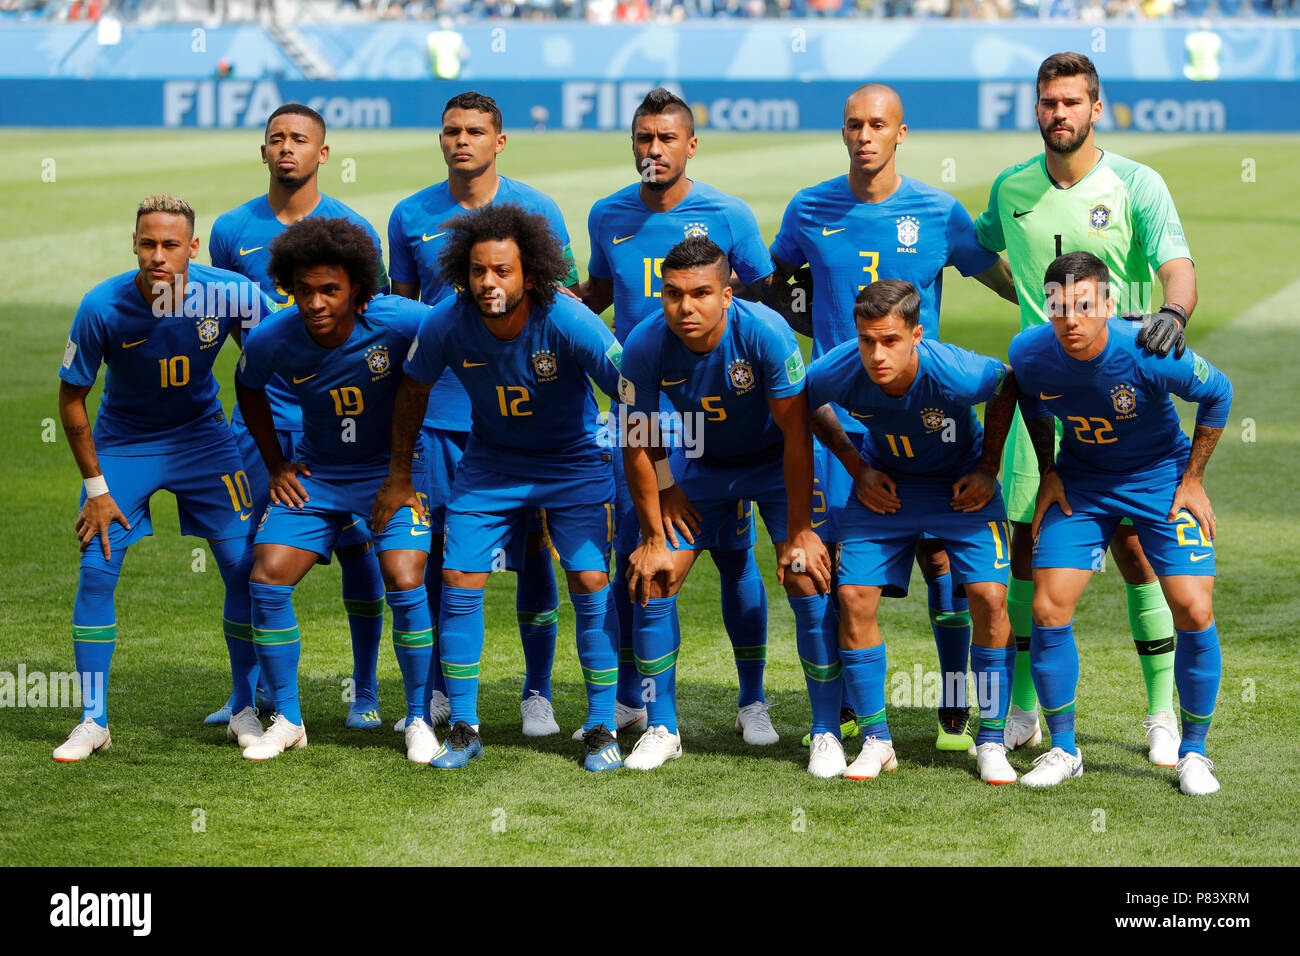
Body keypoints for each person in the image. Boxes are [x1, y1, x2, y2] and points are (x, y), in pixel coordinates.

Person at [767, 82, 1019, 752]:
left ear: (900, 134)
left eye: (878, 124)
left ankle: (956, 702)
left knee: (944, 562)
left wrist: (1056, 309)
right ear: (843, 132)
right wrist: (820, 339)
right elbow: (776, 282)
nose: (865, 136)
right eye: (854, 124)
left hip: (926, 418)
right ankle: (849, 708)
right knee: (831, 568)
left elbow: (996, 277)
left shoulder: (937, 211)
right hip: (838, 418)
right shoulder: (808, 207)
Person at [974, 52, 1198, 763]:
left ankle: (1161, 714)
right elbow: (979, 247)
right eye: (1048, 102)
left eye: (1072, 102)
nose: (1059, 113)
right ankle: (1023, 712)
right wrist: (1030, 309)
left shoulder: (1137, 183)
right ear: (1036, 109)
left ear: (1095, 108)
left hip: (1122, 399)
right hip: (1042, 402)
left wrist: (1172, 313)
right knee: (1028, 556)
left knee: (1136, 554)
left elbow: (1178, 265)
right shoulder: (1011, 188)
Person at [372, 203, 625, 773]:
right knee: (459, 576)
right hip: (490, 466)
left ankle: (602, 726)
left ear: (529, 274)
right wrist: (398, 477)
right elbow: (412, 389)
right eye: (479, 271)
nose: (488, 283)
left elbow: (632, 389)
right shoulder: (446, 321)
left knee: (588, 578)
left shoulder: (570, 319)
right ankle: (463, 726)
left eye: (502, 271)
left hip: (573, 463)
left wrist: (651, 472)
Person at [581, 87, 780, 747]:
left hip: (715, 415)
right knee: (637, 554)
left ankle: (752, 701)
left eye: (667, 139)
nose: (653, 149)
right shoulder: (606, 215)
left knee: (730, 554)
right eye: (643, 138)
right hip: (640, 417)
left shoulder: (727, 214)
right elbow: (602, 295)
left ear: (690, 145)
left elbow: (757, 301)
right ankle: (636, 701)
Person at [54, 193, 271, 761]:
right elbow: (72, 398)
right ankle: (92, 720)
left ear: (192, 248)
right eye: (147, 243)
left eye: (170, 245)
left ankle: (244, 708)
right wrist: (96, 490)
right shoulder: (101, 305)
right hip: (124, 446)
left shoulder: (231, 293)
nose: (157, 256)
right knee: (97, 569)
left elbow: (278, 357)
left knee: (242, 567)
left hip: (204, 441)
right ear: (133, 244)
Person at [387, 91, 577, 739]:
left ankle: (537, 693)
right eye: (450, 131)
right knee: (447, 554)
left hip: (523, 420)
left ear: (500, 141)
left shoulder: (538, 210)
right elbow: (403, 320)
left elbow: (567, 306)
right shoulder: (410, 216)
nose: (460, 141)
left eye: (474, 131)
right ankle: (441, 690)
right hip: (439, 415)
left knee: (536, 554)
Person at [1009, 252, 1230, 795]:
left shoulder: (1150, 351)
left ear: (1109, 304)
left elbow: (1218, 393)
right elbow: (1032, 401)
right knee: (1046, 606)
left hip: (1160, 480)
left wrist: (1194, 479)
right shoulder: (1030, 351)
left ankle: (1194, 754)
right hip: (1083, 482)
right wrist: (1050, 471)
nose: (1072, 321)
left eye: (1085, 306)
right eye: (1060, 308)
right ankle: (1063, 748)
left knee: (1194, 607)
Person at [206, 102, 393, 732]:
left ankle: (363, 690)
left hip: (338, 424)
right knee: (244, 558)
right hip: (259, 425)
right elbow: (229, 326)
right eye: (276, 138)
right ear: (262, 151)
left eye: (300, 139)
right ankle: (245, 697)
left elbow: (378, 325)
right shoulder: (232, 231)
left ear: (323, 153)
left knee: (360, 552)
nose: (287, 147)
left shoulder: (353, 229)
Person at [617, 237, 836, 774]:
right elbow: (637, 440)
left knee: (806, 576)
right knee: (656, 573)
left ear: (727, 294)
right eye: (672, 294)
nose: (684, 307)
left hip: (774, 461)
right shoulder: (645, 344)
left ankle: (825, 728)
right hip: (702, 461)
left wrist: (802, 530)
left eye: (699, 294)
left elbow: (795, 434)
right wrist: (653, 528)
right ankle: (661, 726)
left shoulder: (765, 331)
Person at [234, 217, 436, 763]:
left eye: (330, 290)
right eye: (304, 291)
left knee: (402, 575)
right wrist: (277, 464)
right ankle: (290, 720)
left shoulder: (400, 321)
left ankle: (417, 717)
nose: (316, 302)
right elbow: (247, 386)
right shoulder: (274, 336)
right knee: (266, 577)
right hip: (318, 476)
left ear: (358, 289)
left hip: (391, 475)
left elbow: (456, 333)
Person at [805, 280, 1020, 784]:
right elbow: (803, 399)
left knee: (989, 597)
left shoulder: (957, 372)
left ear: (916, 334)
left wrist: (989, 467)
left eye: (890, 341)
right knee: (854, 595)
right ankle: (877, 741)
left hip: (960, 488)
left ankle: (990, 739)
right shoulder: (839, 367)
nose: (876, 354)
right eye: (866, 340)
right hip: (886, 487)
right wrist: (856, 467)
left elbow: (1008, 384)